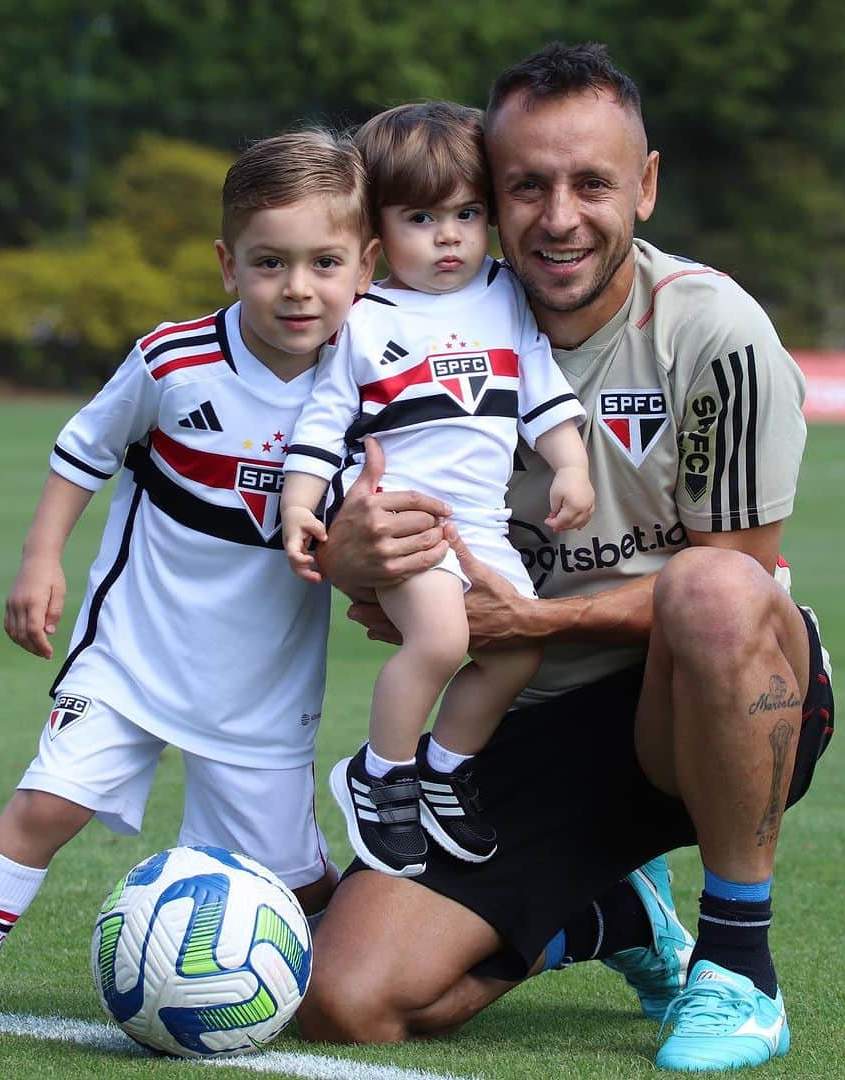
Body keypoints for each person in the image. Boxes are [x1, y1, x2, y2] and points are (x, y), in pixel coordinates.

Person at [298, 42, 834, 1075]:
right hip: (514, 719)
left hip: (686, 710)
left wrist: (539, 623)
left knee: (716, 592)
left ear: (645, 184)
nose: (558, 217)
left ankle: (738, 963)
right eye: (526, 186)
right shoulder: (400, 323)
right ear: (486, 197)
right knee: (347, 1002)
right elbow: (366, 572)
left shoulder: (710, 329)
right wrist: (352, 549)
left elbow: (744, 580)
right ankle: (611, 917)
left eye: (591, 182)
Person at [0, 129, 379, 1044]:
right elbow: (85, 448)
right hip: (134, 651)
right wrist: (43, 557)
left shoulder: (369, 387)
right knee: (45, 804)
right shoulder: (172, 359)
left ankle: (407, 947)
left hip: (262, 687)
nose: (298, 287)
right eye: (270, 262)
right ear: (228, 264)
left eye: (325, 262)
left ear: (367, 266)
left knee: (301, 882)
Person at [280, 101, 591, 878]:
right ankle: (380, 775)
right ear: (378, 239)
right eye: (422, 217)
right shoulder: (363, 316)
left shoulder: (504, 294)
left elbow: (539, 389)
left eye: (466, 213)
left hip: (481, 524)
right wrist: (298, 504)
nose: (448, 235)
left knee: (522, 648)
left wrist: (573, 465)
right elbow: (324, 421)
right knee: (444, 641)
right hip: (403, 519)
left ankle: (445, 767)